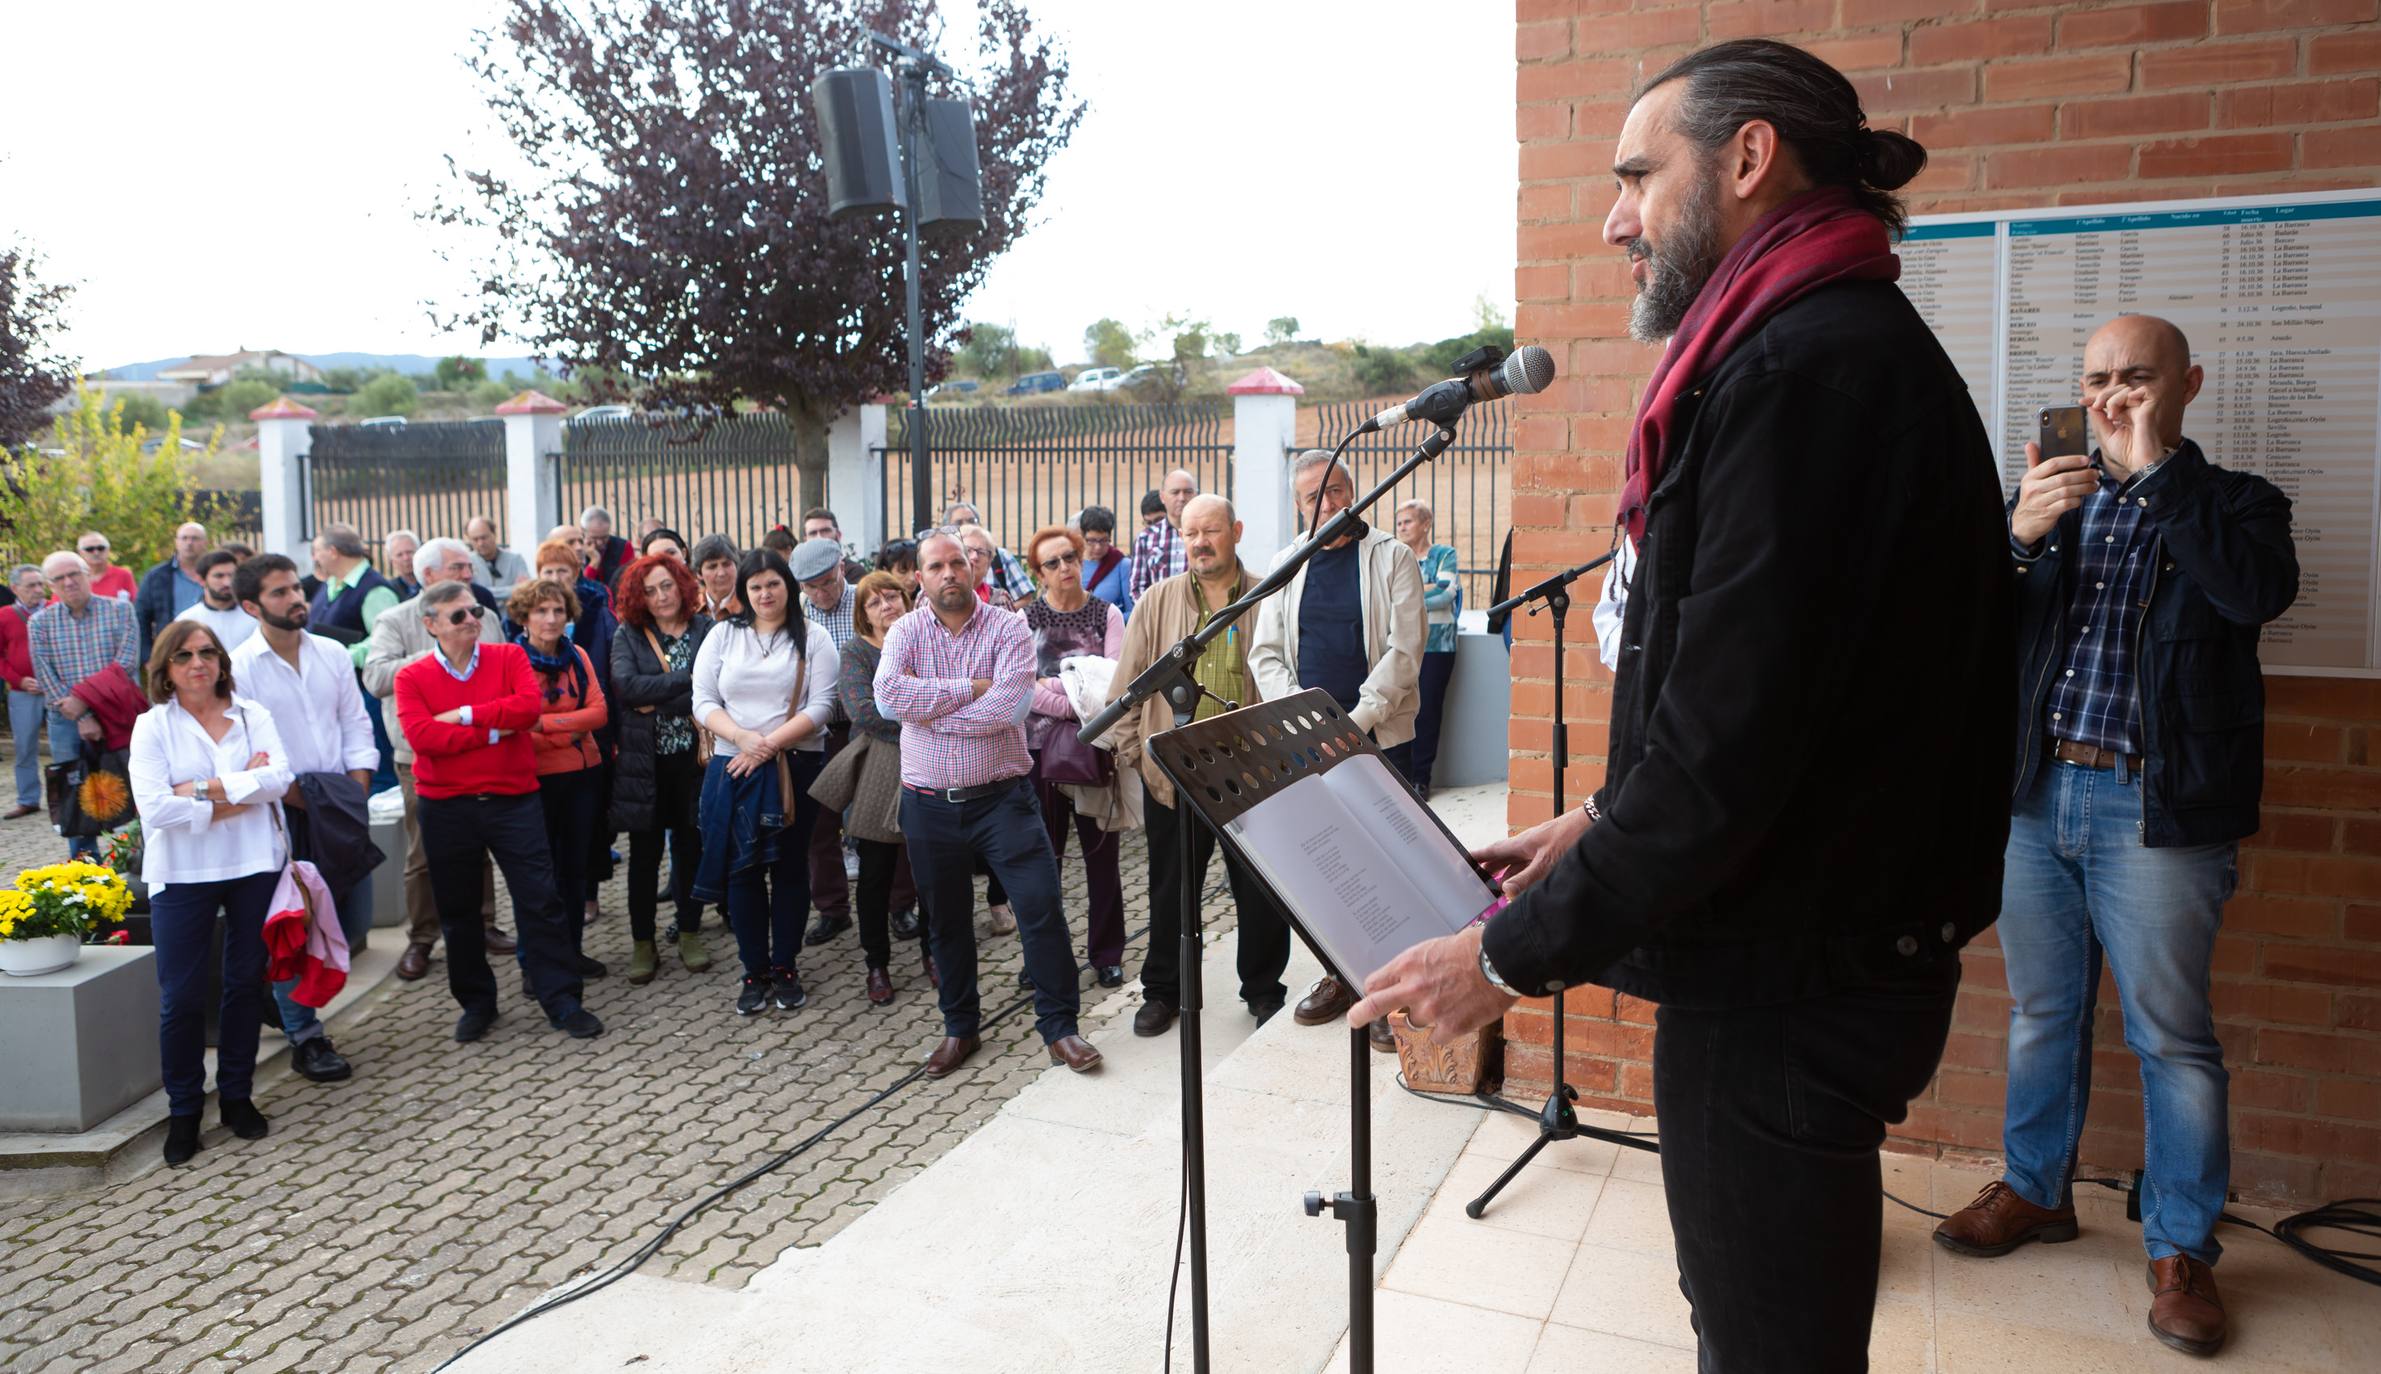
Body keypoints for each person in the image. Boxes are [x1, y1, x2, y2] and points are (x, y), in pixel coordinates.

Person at [1344, 40, 2009, 1370]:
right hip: (1801, 950)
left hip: (1790, 979)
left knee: (1765, 1343)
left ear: (1749, 159)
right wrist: (1597, 818)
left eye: (1639, 176)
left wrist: (1500, 956)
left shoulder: (1802, 372)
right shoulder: (1815, 346)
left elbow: (1730, 753)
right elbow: (1781, 701)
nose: (1612, 219)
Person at [1931, 315, 2298, 1356]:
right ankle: (2037, 1191)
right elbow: (1960, 631)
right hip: (2037, 798)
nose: (2112, 397)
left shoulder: (2234, 502)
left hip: (2157, 810)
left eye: (2135, 378)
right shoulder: (2054, 497)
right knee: (2043, 1015)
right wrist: (2013, 543)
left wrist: (2155, 479)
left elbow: (2253, 594)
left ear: (2184, 383)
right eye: (2096, 380)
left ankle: (2180, 1249)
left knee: (2171, 1041)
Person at [875, 532, 1102, 1079]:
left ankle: (1060, 1028)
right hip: (928, 806)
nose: (949, 572)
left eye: (958, 562)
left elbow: (1010, 706)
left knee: (1041, 910)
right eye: (937, 566)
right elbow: (887, 699)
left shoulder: (1007, 625)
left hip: (1003, 801)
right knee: (947, 923)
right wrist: (971, 689)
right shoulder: (905, 631)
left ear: (974, 569)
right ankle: (960, 1029)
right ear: (920, 577)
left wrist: (929, 710)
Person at [1251, 451, 1424, 1044]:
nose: (1328, 504)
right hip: (1307, 746)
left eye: (1337, 491)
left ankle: (1391, 991)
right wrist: (1307, 722)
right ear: (1298, 506)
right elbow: (1265, 656)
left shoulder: (1393, 557)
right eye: (1313, 497)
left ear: (1354, 491)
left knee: (1387, 867)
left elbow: (1404, 654)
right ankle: (1341, 975)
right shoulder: (1285, 565)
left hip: (1376, 737)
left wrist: (1352, 722)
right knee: (1329, 869)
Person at [1108, 496, 1289, 1035]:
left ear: (1235, 530)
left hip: (1251, 775)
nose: (1200, 542)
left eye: (1211, 530)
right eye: (1190, 533)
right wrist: (1139, 757)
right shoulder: (1157, 601)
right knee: (1171, 891)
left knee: (1259, 891)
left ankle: (1263, 991)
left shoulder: (1266, 597)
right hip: (1175, 774)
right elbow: (1126, 691)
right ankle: (1164, 991)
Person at [394, 580, 601, 1042]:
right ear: (431, 625)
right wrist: (493, 729)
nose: (473, 620)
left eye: (474, 611)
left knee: (540, 900)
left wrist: (464, 716)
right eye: (459, 616)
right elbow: (424, 740)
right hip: (446, 806)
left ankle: (562, 1000)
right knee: (459, 911)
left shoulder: (508, 657)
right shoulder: (411, 677)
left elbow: (526, 710)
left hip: (513, 800)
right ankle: (477, 1003)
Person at [127, 619, 293, 1166]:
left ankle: (238, 1097)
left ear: (221, 660)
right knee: (181, 998)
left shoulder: (252, 715)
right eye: (183, 656)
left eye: (207, 653)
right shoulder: (152, 726)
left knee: (245, 984)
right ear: (165, 671)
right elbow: (155, 808)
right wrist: (238, 795)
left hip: (253, 866)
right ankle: (183, 1111)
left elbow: (281, 781)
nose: (198, 663)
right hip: (181, 872)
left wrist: (198, 791)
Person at [228, 554, 380, 1086]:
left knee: (352, 919)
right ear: (251, 606)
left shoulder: (334, 652)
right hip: (279, 812)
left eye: (297, 588)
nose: (298, 598)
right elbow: (250, 752)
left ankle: (284, 1004)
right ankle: (306, 1037)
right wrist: (300, 798)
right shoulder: (239, 667)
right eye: (280, 593)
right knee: (296, 924)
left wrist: (356, 789)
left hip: (340, 804)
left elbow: (355, 723)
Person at [692, 549, 839, 1014]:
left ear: (788, 587)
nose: (764, 593)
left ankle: (785, 966)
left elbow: (823, 707)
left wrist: (769, 744)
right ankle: (753, 969)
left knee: (792, 869)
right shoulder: (722, 636)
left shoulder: (813, 639)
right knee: (743, 871)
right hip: (733, 767)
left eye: (772, 584)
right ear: (744, 591)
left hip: (793, 767)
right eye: (755, 586)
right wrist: (742, 738)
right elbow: (702, 699)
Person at [363, 537, 516, 982]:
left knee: (480, 842)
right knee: (423, 852)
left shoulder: (481, 613)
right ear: (428, 575)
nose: (469, 575)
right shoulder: (394, 619)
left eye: (470, 567)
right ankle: (423, 937)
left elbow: (505, 668)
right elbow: (374, 677)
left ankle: (484, 925)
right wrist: (439, 651)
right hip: (420, 757)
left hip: (482, 748)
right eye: (458, 567)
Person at [1021, 524, 1129, 988]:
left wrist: (1059, 692)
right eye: (1053, 562)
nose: (1065, 567)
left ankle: (1107, 953)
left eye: (1070, 557)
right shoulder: (1023, 621)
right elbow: (1019, 689)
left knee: (1101, 858)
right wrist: (1073, 701)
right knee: (1041, 864)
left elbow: (1113, 691)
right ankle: (1042, 957)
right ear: (1038, 573)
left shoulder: (1108, 616)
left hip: (1093, 753)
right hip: (1035, 755)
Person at [611, 551, 716, 981]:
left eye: (666, 586)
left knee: (691, 849)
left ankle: (690, 932)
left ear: (682, 585)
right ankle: (643, 943)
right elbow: (626, 687)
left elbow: (716, 683)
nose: (660, 597)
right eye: (650, 590)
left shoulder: (706, 629)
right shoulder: (629, 634)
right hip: (645, 763)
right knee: (644, 856)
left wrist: (656, 697)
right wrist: (689, 680)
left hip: (695, 761)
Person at [506, 575, 611, 979]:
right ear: (524, 617)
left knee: (573, 871)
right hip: (535, 783)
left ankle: (570, 953)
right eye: (541, 611)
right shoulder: (511, 661)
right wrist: (567, 732)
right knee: (537, 877)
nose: (551, 619)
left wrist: (547, 725)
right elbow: (516, 725)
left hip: (582, 778)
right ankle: (535, 963)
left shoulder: (578, 656)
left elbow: (599, 713)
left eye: (558, 611)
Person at [828, 571, 926, 1005]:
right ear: (863, 614)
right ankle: (876, 964)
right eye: (874, 602)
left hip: (933, 766)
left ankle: (934, 952)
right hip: (879, 769)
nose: (886, 605)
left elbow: (948, 691)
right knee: (874, 874)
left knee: (932, 870)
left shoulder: (925, 641)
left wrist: (932, 711)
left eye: (893, 597)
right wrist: (926, 719)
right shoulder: (855, 653)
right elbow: (862, 711)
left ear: (906, 601)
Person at [533, 537, 621, 927]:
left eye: (561, 571)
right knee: (548, 851)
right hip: (542, 765)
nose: (555, 578)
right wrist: (563, 728)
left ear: (575, 573)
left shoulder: (595, 614)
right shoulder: (518, 650)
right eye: (547, 572)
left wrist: (559, 725)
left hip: (588, 751)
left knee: (586, 837)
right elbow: (521, 719)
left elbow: (600, 703)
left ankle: (586, 899)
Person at [29, 550, 140, 856]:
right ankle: (85, 867)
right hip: (66, 722)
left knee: (135, 787)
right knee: (75, 793)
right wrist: (82, 717)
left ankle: (136, 861)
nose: (69, 582)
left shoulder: (120, 611)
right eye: (59, 578)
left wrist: (86, 705)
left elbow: (125, 664)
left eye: (74, 574)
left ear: (87, 574)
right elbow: (45, 674)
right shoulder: (39, 623)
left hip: (118, 716)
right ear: (51, 585)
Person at [791, 539, 860, 947]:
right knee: (820, 826)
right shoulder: (793, 616)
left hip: (866, 728)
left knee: (882, 821)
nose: (822, 592)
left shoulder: (866, 601)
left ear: (842, 567)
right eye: (811, 586)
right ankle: (833, 909)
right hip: (817, 735)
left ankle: (899, 905)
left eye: (828, 581)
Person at [1394, 499, 1462, 796]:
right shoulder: (1396, 557)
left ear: (1425, 524)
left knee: (1428, 712)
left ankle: (1421, 779)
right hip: (1402, 645)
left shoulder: (1444, 554)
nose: (1401, 527)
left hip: (1438, 647)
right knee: (1398, 711)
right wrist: (1427, 587)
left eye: (1408, 521)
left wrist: (1409, 598)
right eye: (1399, 523)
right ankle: (1400, 778)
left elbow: (1446, 594)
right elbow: (1388, 595)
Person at [2, 564, 52, 819]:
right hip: (23, 692)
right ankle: (28, 799)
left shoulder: (55, 610)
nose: (37, 590)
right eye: (30, 585)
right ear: (15, 589)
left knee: (67, 746)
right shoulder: (4, 616)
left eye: (40, 584)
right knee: (24, 748)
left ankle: (69, 798)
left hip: (57, 689)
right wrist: (19, 681)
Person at [135, 521, 211, 661]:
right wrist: (148, 657)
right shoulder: (156, 576)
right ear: (176, 542)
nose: (189, 543)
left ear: (205, 542)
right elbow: (141, 618)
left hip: (211, 648)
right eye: (184, 538)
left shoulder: (217, 574)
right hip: (172, 650)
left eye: (195, 538)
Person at [1127, 469, 1198, 601]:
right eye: (1175, 492)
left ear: (1196, 495)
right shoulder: (1145, 539)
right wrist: (1154, 616)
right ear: (1162, 497)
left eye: (1188, 492)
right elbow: (1136, 588)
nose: (1182, 498)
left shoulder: (1206, 536)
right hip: (1158, 617)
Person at [941, 502, 1033, 601]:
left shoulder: (1000, 556)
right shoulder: (939, 558)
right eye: (959, 523)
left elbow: (1026, 599)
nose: (966, 525)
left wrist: (1001, 612)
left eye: (972, 520)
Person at [172, 550, 258, 652]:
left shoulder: (255, 617)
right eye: (219, 576)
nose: (227, 582)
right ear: (201, 580)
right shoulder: (186, 620)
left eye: (232, 575)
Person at [1078, 505, 1132, 619]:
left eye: (1103, 540)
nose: (1098, 547)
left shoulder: (1122, 565)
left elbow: (1133, 612)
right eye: (1092, 540)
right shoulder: (1071, 563)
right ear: (1082, 536)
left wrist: (1106, 622)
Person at [952, 524, 1018, 610]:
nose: (975, 557)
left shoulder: (1000, 599)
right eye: (968, 550)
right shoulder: (937, 595)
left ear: (989, 562)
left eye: (981, 552)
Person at [464, 515, 531, 597]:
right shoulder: (466, 563)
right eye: (475, 539)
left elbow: (526, 590)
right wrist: (512, 590)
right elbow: (468, 592)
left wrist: (483, 593)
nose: (480, 543)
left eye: (484, 537)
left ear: (494, 534)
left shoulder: (515, 560)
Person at [799, 507, 868, 583]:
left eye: (825, 531)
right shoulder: (799, 574)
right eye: (813, 533)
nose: (819, 537)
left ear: (838, 535)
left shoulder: (854, 572)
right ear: (805, 540)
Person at [691, 535, 743, 620]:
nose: (721, 573)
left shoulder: (750, 605)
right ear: (699, 574)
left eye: (726, 564)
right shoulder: (691, 608)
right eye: (712, 567)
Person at [582, 506, 634, 589]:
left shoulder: (623, 546)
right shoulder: (575, 549)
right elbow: (582, 587)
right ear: (583, 531)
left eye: (604, 537)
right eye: (594, 538)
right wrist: (594, 562)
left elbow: (626, 581)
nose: (600, 542)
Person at [78, 531, 137, 602]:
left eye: (101, 548)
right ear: (80, 552)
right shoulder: (73, 578)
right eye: (90, 549)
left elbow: (136, 605)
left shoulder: (123, 575)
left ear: (108, 550)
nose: (96, 552)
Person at [384, 530, 424, 599]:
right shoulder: (388, 591)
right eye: (399, 555)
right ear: (392, 562)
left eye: (410, 552)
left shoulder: (434, 584)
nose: (406, 558)